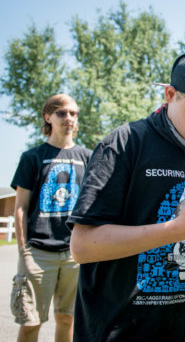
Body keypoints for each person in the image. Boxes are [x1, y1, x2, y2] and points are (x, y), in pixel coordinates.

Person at [66, 49, 185, 342]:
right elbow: (82, 247)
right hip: (116, 331)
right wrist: (176, 231)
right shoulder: (124, 144)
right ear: (170, 94)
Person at [10, 93, 92, 342]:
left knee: (67, 318)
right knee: (31, 322)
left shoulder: (88, 157)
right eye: (62, 113)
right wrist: (24, 250)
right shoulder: (32, 157)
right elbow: (21, 207)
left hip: (74, 254)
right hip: (38, 253)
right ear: (48, 117)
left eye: (74, 113)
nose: (69, 118)